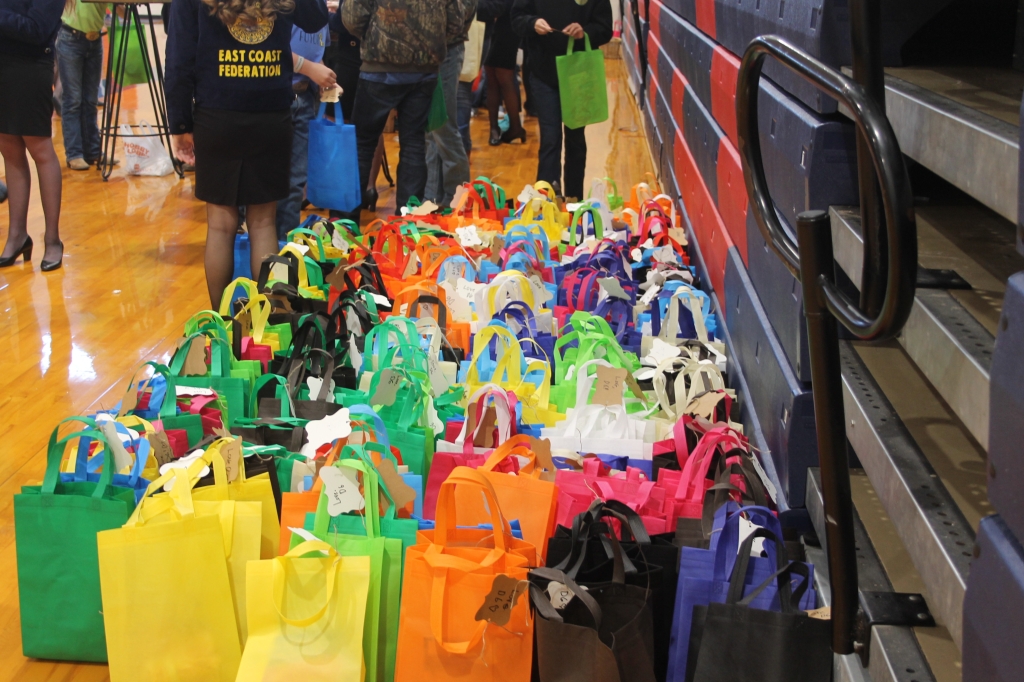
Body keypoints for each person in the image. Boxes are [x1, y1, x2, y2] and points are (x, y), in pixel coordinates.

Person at [166, 0, 329, 308]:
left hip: (216, 112)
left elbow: (178, 57)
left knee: (220, 225)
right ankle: (267, 325)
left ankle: (222, 323)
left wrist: (180, 123)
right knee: (264, 223)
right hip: (271, 112)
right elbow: (315, 18)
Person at [342, 0, 470, 210]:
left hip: (379, 66)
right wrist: (427, 41)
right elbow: (456, 22)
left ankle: (346, 225)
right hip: (424, 68)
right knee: (414, 145)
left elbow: (352, 18)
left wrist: (377, 36)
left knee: (362, 145)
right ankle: (406, 225)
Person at [511, 0, 612, 200]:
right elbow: (517, 18)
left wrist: (584, 32)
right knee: (550, 138)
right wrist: (532, 23)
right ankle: (546, 201)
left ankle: (574, 202)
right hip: (543, 72)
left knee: (575, 140)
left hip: (578, 74)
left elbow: (605, 28)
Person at [0, 0, 70, 271]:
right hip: (3, 64)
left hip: (31, 67)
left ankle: (52, 239)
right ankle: (17, 235)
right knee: (9, 149)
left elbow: (37, 28)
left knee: (40, 150)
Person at [276, 20, 337, 238]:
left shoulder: (318, 10)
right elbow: (274, 49)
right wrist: (312, 69)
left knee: (295, 182)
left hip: (305, 97)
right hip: (276, 96)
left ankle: (286, 248)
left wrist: (323, 78)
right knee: (268, 179)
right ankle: (254, 250)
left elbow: (315, 52)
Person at [423, 0, 475, 207]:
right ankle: (432, 198)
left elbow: (463, 14)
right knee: (431, 127)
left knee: (443, 126)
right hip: (423, 49)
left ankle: (458, 199)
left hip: (447, 48)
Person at [56, 0, 113, 170]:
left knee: (90, 100)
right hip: (70, 38)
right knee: (73, 100)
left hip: (94, 40)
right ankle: (74, 154)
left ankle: (93, 152)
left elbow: (122, 12)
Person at [484, 0, 525, 147]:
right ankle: (499, 128)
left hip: (507, 21)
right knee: (492, 77)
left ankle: (512, 127)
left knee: (503, 75)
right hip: (496, 23)